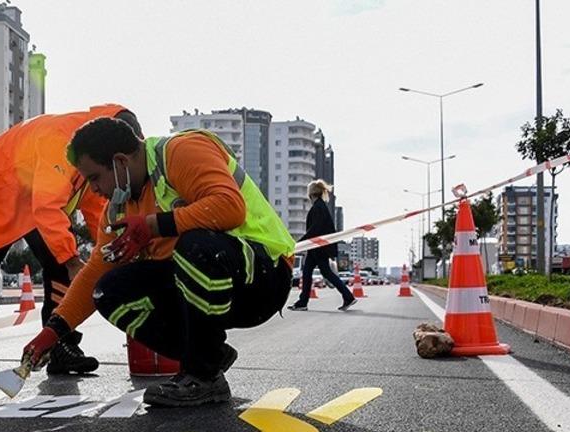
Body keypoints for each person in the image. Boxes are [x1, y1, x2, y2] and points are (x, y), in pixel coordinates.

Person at [20, 118, 296, 407]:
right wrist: (52, 332)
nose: (94, 189)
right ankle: (207, 356)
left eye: (94, 177)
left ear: (120, 162)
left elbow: (229, 206)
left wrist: (154, 226)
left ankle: (202, 375)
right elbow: (94, 272)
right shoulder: (117, 210)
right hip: (208, 281)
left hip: (264, 275)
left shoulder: (182, 151)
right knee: (109, 290)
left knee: (196, 245)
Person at [0, 104, 142, 380]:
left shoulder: (91, 146)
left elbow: (96, 205)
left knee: (61, 267)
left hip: (33, 194)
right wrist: (75, 262)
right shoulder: (62, 140)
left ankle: (62, 346)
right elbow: (47, 207)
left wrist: (115, 244)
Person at [288, 179, 354, 311]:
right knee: (309, 272)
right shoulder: (320, 206)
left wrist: (300, 242)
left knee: (323, 273)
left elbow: (315, 229)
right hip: (317, 247)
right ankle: (303, 302)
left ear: (310, 193)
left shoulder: (318, 207)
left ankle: (347, 297)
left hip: (319, 248)